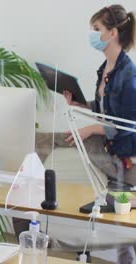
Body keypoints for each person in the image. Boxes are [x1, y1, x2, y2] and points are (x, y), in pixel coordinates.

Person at [37, 4, 136, 263]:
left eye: (96, 29)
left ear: (113, 33)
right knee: (48, 139)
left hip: (122, 151)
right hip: (105, 143)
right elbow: (105, 109)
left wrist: (90, 129)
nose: (92, 34)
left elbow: (129, 125)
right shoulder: (106, 69)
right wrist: (83, 106)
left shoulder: (129, 74)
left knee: (55, 139)